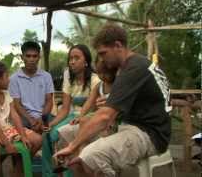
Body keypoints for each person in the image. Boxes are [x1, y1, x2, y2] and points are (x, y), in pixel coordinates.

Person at [54, 23, 172, 177]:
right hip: (128, 124)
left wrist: (73, 146)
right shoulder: (129, 67)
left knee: (91, 155)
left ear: (118, 45)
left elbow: (105, 116)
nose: (101, 59)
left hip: (149, 134)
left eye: (103, 53)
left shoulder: (135, 68)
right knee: (66, 133)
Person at [43, 44, 100, 177]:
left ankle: (68, 172)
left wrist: (80, 116)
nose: (72, 61)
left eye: (76, 58)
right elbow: (65, 109)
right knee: (47, 134)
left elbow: (89, 107)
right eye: (70, 58)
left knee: (59, 134)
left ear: (86, 61)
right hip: (70, 115)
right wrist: (51, 124)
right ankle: (50, 174)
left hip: (88, 116)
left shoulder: (95, 79)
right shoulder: (68, 78)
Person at [58, 56, 118, 146]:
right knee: (83, 121)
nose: (103, 76)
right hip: (99, 115)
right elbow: (88, 103)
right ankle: (80, 147)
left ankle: (81, 148)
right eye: (99, 73)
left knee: (90, 124)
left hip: (112, 117)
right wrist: (80, 116)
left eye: (106, 73)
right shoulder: (99, 86)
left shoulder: (118, 85)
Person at [9, 41, 54, 134]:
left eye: (34, 56)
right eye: (28, 56)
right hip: (24, 117)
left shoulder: (46, 76)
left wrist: (41, 118)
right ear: (22, 57)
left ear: (39, 57)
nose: (31, 59)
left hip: (44, 116)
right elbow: (17, 105)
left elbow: (49, 101)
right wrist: (31, 120)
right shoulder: (14, 78)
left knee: (57, 129)